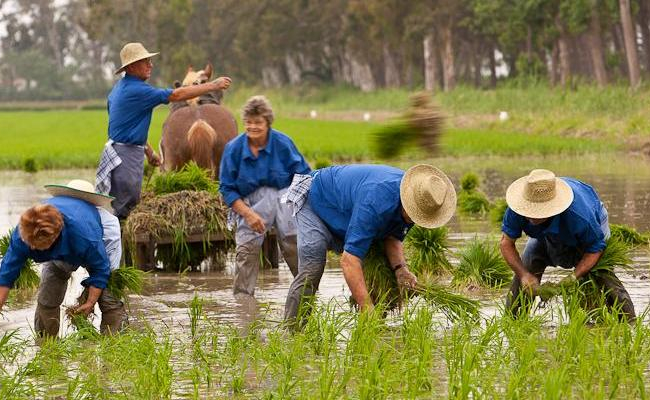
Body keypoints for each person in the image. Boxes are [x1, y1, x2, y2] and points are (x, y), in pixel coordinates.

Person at [283, 164, 456, 325]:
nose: (414, 220)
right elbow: (349, 261)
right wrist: (367, 309)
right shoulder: (376, 201)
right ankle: (293, 330)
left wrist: (400, 269)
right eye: (414, 214)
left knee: (380, 267)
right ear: (406, 201)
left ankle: (375, 326)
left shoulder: (420, 200)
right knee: (312, 268)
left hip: (348, 213)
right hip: (317, 202)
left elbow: (392, 236)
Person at [96, 42, 232, 218]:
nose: (150, 65)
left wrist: (150, 152)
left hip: (124, 153)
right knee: (126, 210)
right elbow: (175, 95)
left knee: (124, 207)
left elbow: (124, 127)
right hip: (126, 159)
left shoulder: (118, 89)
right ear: (130, 67)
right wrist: (213, 85)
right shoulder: (137, 90)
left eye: (150, 61)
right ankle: (121, 245)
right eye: (145, 61)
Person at [0, 180, 125, 339]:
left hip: (93, 240)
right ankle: (46, 347)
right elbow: (5, 277)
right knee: (47, 298)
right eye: (30, 244)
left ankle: (113, 344)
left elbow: (101, 269)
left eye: (38, 245)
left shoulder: (86, 237)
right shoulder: (23, 235)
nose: (32, 250)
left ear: (55, 236)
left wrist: (90, 301)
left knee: (108, 297)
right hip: (63, 249)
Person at [500, 169, 635, 320]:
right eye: (530, 210)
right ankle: (512, 321)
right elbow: (506, 243)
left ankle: (629, 322)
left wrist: (573, 277)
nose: (532, 216)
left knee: (601, 274)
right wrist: (524, 275)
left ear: (551, 208)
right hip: (543, 234)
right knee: (528, 264)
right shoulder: (518, 208)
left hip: (590, 224)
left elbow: (595, 249)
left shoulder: (579, 216)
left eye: (538, 212)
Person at [219, 95, 311, 296]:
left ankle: (305, 294)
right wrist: (248, 214)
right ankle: (243, 303)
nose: (253, 127)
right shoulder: (233, 149)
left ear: (268, 123)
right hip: (250, 203)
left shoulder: (283, 144)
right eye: (249, 123)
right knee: (246, 250)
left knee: (294, 243)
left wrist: (299, 210)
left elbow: (304, 176)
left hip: (284, 198)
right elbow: (227, 188)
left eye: (258, 122)